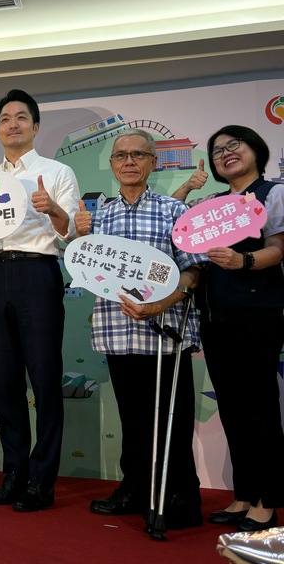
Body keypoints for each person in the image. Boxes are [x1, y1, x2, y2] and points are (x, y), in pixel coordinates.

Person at [75, 129, 205, 529]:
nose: (128, 162)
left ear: (153, 162)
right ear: (112, 165)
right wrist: (80, 233)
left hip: (164, 332)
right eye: (120, 156)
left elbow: (193, 269)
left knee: (173, 419)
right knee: (132, 419)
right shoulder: (98, 216)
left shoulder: (172, 210)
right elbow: (86, 266)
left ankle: (179, 499)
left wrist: (162, 304)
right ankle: (133, 489)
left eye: (138, 154)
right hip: (117, 330)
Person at [0, 89, 80, 512]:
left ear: (35, 126)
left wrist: (52, 208)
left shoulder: (56, 172)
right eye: (4, 119)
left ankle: (41, 482)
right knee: (6, 381)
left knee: (46, 380)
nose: (12, 124)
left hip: (38, 273)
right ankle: (13, 475)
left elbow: (69, 234)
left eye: (21, 118)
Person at [197, 125, 284, 532]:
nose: (226, 154)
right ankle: (244, 495)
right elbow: (188, 244)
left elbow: (279, 249)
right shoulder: (212, 205)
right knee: (232, 408)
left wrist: (243, 262)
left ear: (255, 150)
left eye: (234, 145)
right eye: (218, 151)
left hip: (258, 313)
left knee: (260, 408)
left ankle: (267, 500)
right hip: (217, 318)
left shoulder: (273, 193)